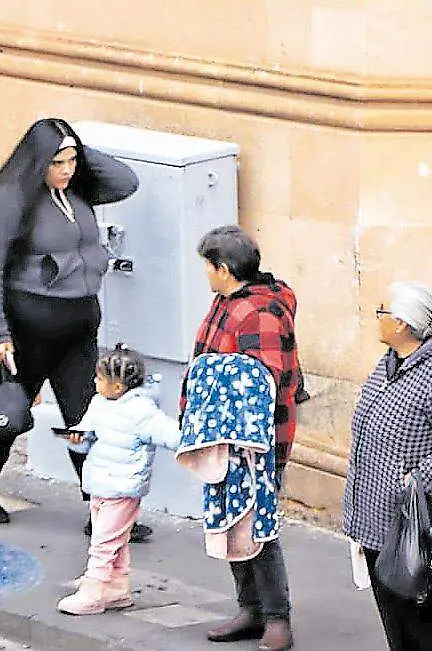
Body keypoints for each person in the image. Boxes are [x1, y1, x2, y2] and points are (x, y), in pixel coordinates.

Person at [0, 117, 153, 542]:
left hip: (78, 325)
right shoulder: (11, 200)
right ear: (36, 162)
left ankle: (101, 507)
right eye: (57, 161)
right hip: (29, 327)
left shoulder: (75, 191)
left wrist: (78, 148)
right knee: (9, 412)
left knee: (86, 418)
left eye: (71, 161)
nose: (66, 169)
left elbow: (125, 181)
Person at [342, 281, 432, 651]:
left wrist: (420, 479)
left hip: (421, 525)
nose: (377, 319)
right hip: (378, 520)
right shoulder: (389, 364)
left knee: (427, 623)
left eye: (382, 312)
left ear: (403, 323)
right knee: (396, 621)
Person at [185, 225, 299, 651]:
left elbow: (261, 382)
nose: (205, 275)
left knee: (258, 524)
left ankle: (277, 617)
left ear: (224, 268)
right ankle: (250, 609)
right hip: (223, 438)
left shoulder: (258, 314)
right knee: (232, 520)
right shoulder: (228, 302)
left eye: (208, 267)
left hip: (255, 444)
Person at [56, 343, 181, 615]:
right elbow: (87, 434)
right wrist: (77, 438)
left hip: (123, 488)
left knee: (102, 542)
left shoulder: (142, 411)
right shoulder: (99, 403)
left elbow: (171, 434)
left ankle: (92, 592)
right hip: (100, 482)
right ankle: (116, 588)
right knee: (116, 540)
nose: (94, 381)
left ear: (118, 387)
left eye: (100, 378)